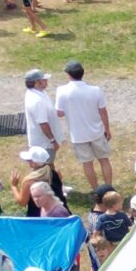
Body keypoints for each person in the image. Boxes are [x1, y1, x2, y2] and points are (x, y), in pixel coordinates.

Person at [54, 60, 114, 192]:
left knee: (87, 164)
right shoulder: (95, 90)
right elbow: (103, 111)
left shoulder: (62, 91)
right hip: (96, 131)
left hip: (78, 134)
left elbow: (59, 113)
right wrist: (107, 129)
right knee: (104, 160)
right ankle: (109, 188)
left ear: (68, 75)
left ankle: (96, 190)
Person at [21, 68, 61, 160]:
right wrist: (52, 140)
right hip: (44, 143)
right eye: (44, 80)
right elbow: (43, 123)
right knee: (46, 167)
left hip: (43, 142)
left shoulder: (37, 93)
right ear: (37, 82)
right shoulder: (37, 101)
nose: (47, 81)